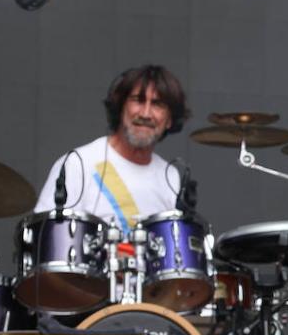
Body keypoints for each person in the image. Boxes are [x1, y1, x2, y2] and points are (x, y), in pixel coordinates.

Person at [35, 65, 190, 233]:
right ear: (121, 107)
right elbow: (46, 237)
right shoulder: (78, 164)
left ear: (169, 120)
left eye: (157, 104)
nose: (146, 114)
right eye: (138, 100)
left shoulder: (170, 176)